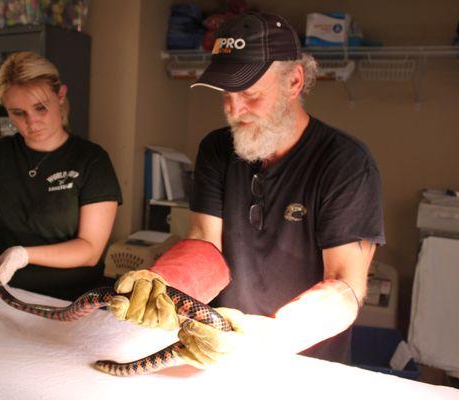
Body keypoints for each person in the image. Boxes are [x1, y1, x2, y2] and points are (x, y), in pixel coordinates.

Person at [109, 11, 385, 367]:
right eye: (226, 94)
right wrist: (167, 283)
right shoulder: (217, 149)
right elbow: (205, 244)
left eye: (250, 94)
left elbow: (345, 287)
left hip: (306, 363)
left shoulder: (346, 164)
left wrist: (269, 336)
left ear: (294, 82)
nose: (234, 109)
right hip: (216, 350)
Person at [0, 51, 122, 301]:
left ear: (60, 96)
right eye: (18, 113)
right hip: (7, 292)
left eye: (40, 108)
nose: (31, 122)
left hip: (71, 300)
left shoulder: (92, 161)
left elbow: (89, 250)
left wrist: (24, 255)